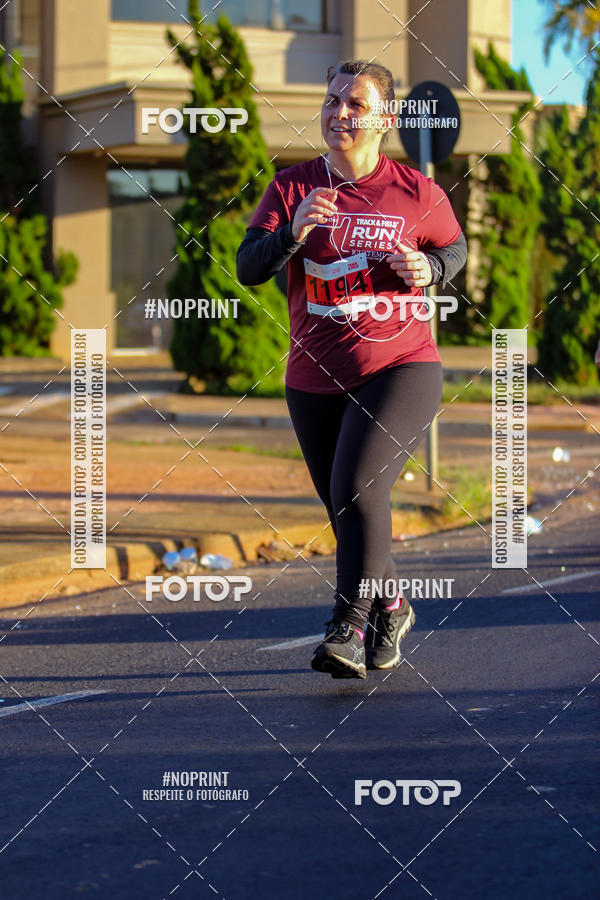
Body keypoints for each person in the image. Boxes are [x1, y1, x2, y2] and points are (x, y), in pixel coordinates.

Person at [237, 60, 467, 679]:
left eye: (356, 103)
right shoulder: (293, 186)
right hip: (313, 376)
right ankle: (392, 604)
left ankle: (348, 623)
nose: (340, 111)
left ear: (385, 119)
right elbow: (248, 266)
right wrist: (291, 231)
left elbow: (453, 246)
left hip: (402, 365)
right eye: (333, 99)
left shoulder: (418, 191)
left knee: (359, 488)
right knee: (349, 509)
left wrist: (433, 271)